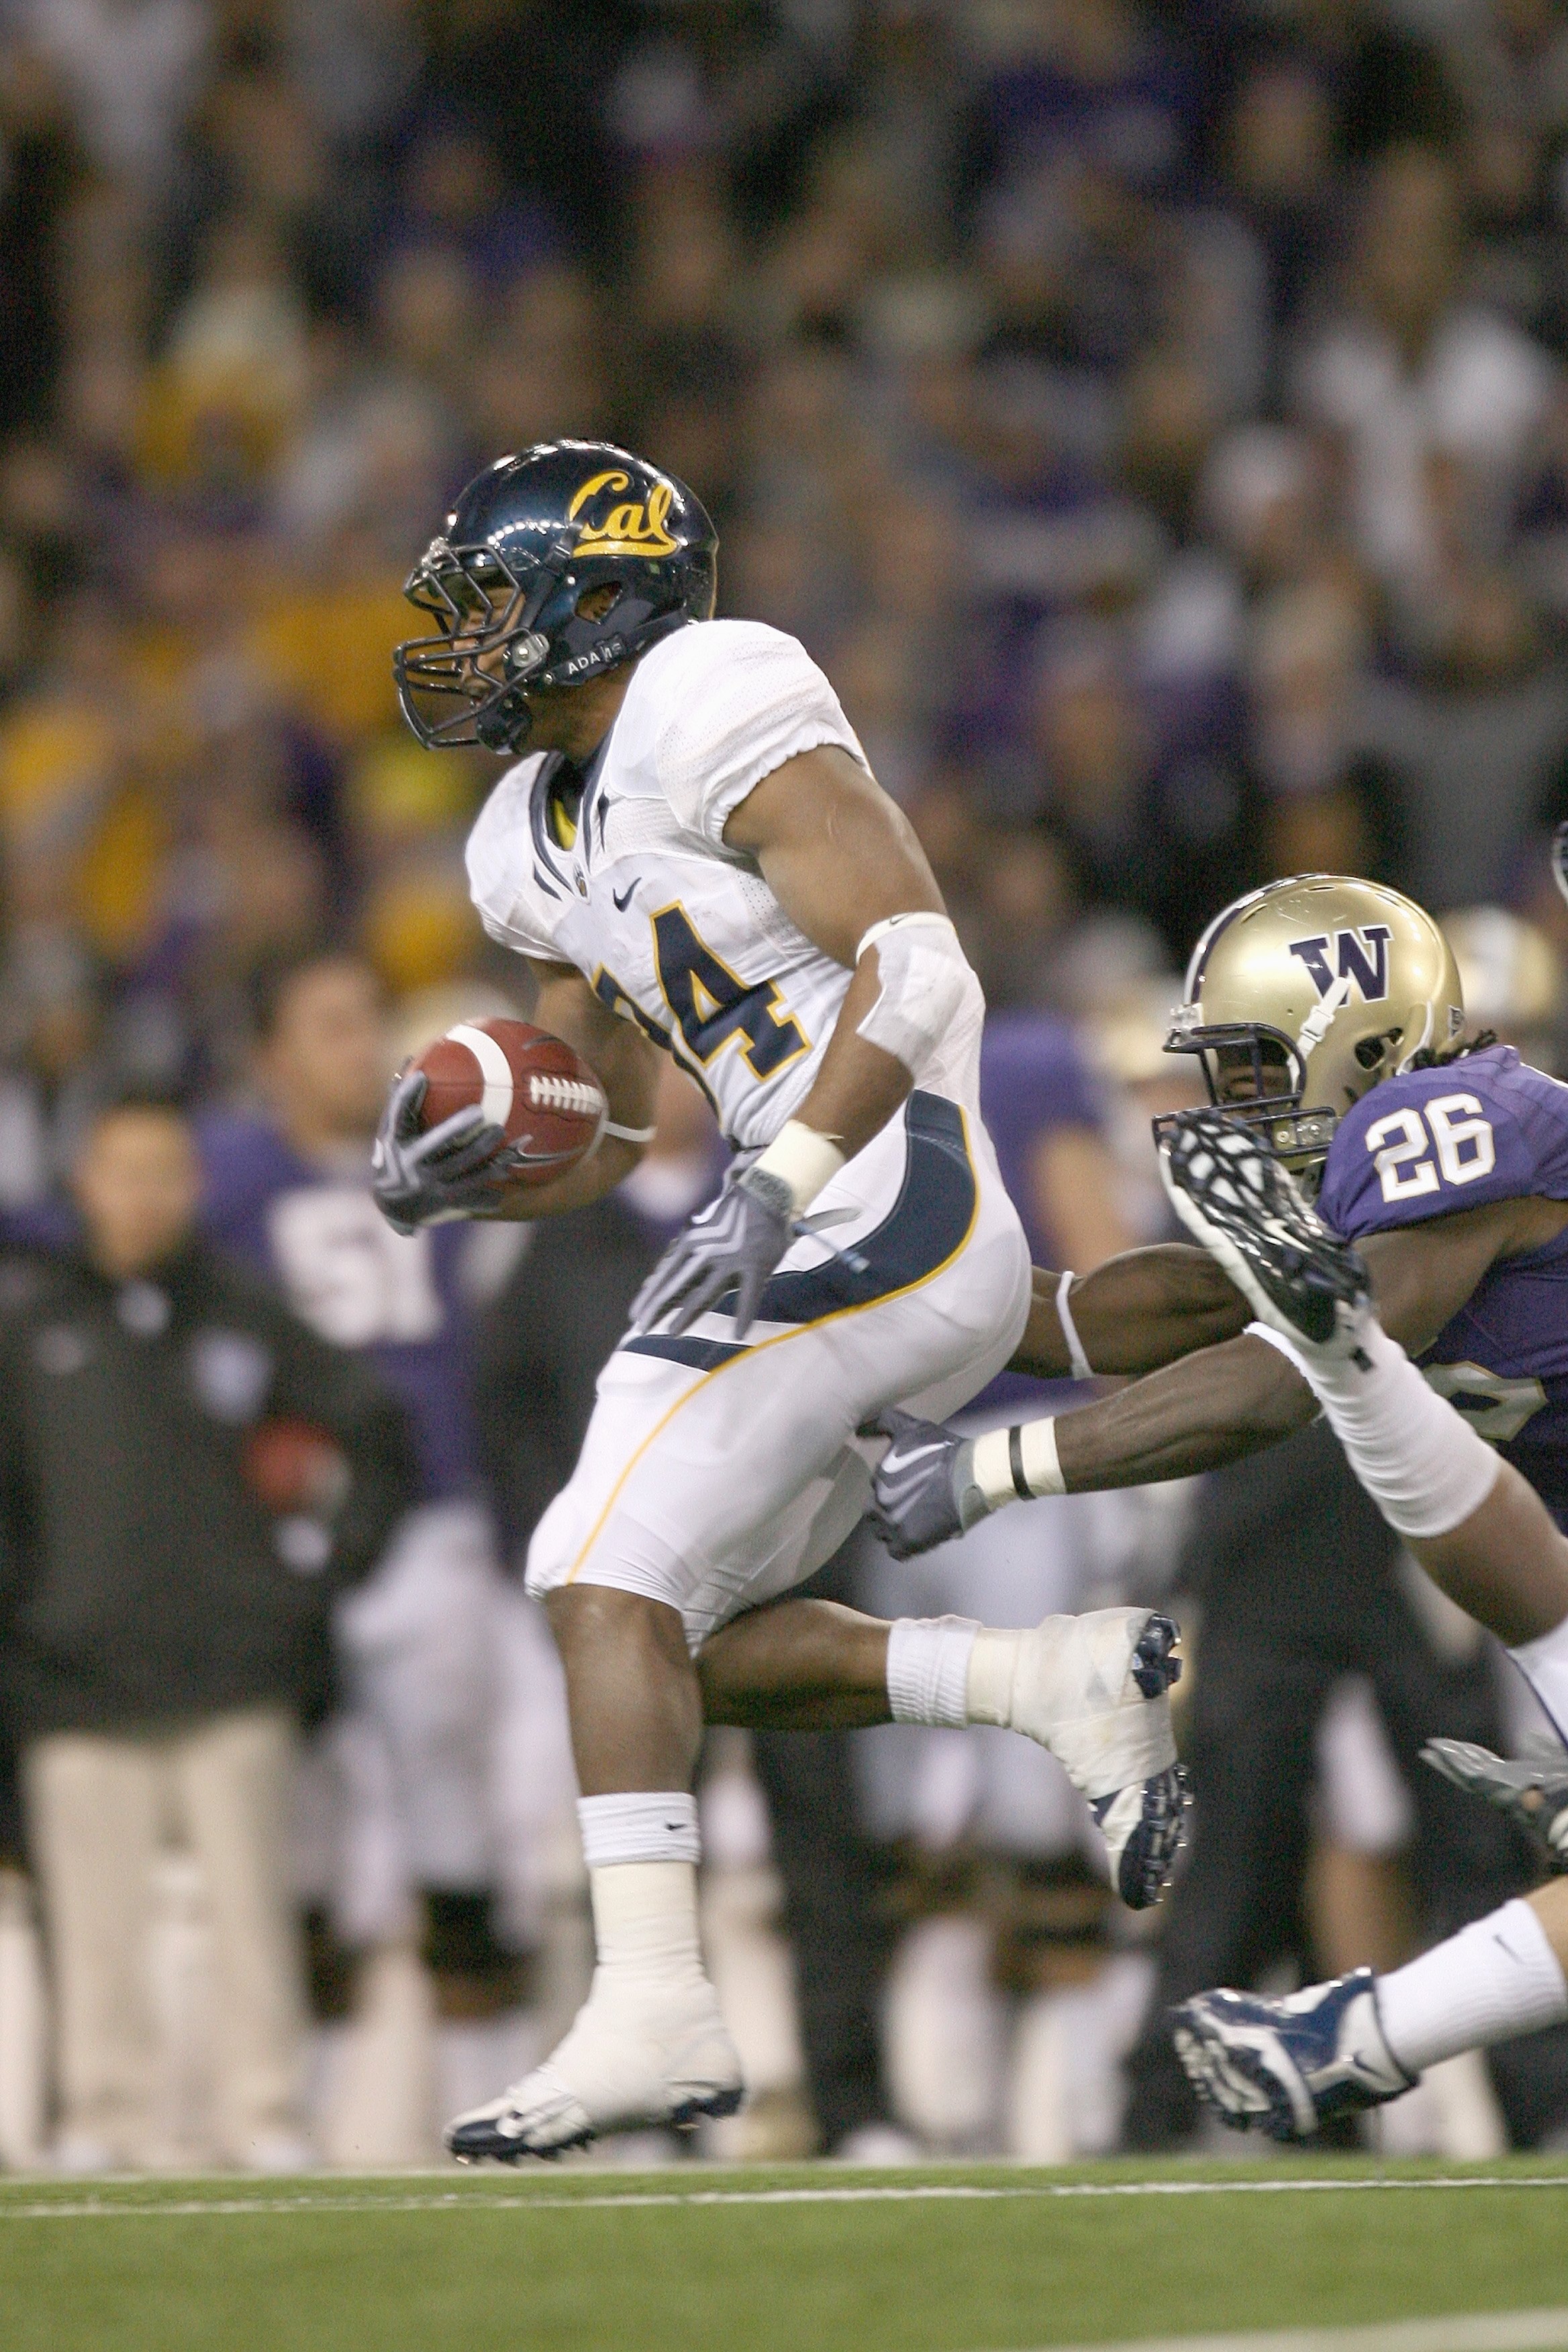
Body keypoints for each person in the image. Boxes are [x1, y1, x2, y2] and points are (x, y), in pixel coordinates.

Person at [373, 438, 1185, 2159]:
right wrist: (477, 1162)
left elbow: (920, 963)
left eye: (495, 604)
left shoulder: (712, 688)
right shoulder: (524, 834)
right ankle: (1041, 1681)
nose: (464, 642)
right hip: (813, 1204)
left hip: (883, 1189)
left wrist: (785, 1180)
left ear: (600, 605)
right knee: (657, 1626)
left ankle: (654, 2012)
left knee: (592, 1564)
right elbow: (616, 1120)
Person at [868, 870, 1568, 2136]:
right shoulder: (1364, 1179)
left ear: (1360, 1043)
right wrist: (915, 1315)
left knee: (1340, 1355)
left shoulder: (1457, 1116)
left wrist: (994, 1471)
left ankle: (1350, 2040)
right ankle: (1345, 2041)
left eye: (1250, 1067)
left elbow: (1281, 1372)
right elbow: (1175, 1306)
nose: (1222, 1103)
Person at [0, 1085, 414, 2171]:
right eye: (121, 1172)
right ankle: (104, 2114)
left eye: (164, 1174)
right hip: (75, 1678)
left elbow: (375, 1427)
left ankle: (263, 2112)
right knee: (92, 1924)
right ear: (83, 1182)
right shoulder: (28, 1327)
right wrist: (28, 1626)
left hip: (233, 1669)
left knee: (251, 1918)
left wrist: (320, 1583)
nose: (142, 1196)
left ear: (194, 1187)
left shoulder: (243, 1310)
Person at [200, 948, 524, 2015]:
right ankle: (302, 2108)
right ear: (272, 1058)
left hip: (432, 1513)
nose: (366, 1051)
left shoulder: (454, 1158)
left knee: (452, 1795)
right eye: (333, 1025)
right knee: (298, 1822)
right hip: (279, 1527)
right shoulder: (226, 1176)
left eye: (369, 1022)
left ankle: (485, 2085)